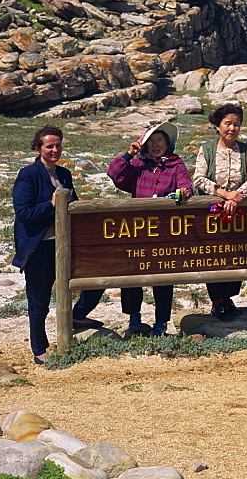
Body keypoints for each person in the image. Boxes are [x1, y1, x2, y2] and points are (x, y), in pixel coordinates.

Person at [71, 121, 193, 335]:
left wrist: (183, 191)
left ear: (168, 144)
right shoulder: (138, 165)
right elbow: (114, 173)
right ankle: (134, 317)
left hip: (164, 231)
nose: (156, 146)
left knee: (163, 277)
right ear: (144, 145)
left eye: (160, 141)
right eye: (151, 142)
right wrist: (129, 153)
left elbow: (186, 186)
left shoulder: (176, 165)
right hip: (136, 229)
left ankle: (161, 322)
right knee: (131, 273)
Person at [12, 125, 103, 364]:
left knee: (97, 277)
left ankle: (78, 316)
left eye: (58, 145)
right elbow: (23, 213)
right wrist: (52, 205)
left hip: (66, 245)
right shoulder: (28, 174)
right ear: (37, 148)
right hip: (39, 247)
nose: (55, 150)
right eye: (49, 146)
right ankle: (40, 349)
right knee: (39, 300)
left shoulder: (64, 174)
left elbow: (72, 205)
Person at [193, 103, 247, 319]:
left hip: (237, 212)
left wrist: (237, 196)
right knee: (213, 256)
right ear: (218, 125)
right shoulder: (207, 149)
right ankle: (217, 300)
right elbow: (199, 178)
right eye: (228, 124)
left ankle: (229, 297)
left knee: (236, 252)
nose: (232, 128)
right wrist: (224, 194)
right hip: (212, 212)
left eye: (237, 124)